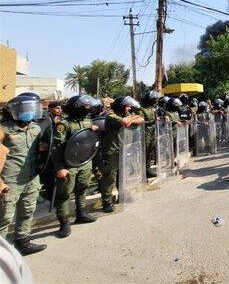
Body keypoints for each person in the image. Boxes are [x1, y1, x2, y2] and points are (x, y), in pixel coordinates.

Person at [0, 94, 47, 255]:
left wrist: (43, 147)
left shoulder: (35, 128)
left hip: (31, 178)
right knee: (4, 216)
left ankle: (22, 242)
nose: (30, 112)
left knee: (27, 210)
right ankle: (2, 252)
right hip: (9, 180)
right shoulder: (3, 130)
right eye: (26, 109)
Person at [52, 95, 100, 238]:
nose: (88, 110)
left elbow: (88, 140)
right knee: (64, 194)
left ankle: (82, 214)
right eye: (85, 107)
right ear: (76, 108)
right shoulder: (64, 125)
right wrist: (60, 168)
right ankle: (64, 222)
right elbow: (56, 148)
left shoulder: (87, 121)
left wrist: (92, 130)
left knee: (82, 188)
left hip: (84, 162)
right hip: (69, 165)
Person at [99, 96, 143, 213]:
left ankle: (123, 195)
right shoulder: (111, 116)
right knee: (109, 178)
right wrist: (130, 119)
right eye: (127, 106)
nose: (129, 108)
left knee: (123, 175)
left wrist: (131, 119)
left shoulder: (126, 116)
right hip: (112, 152)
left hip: (124, 151)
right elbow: (124, 122)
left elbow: (141, 120)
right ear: (122, 107)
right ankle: (106, 202)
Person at [140, 91, 160, 178]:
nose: (155, 101)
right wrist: (153, 121)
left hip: (153, 132)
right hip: (146, 133)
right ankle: (142, 171)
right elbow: (142, 121)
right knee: (144, 152)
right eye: (153, 100)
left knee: (150, 152)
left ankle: (148, 169)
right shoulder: (142, 110)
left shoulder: (153, 109)